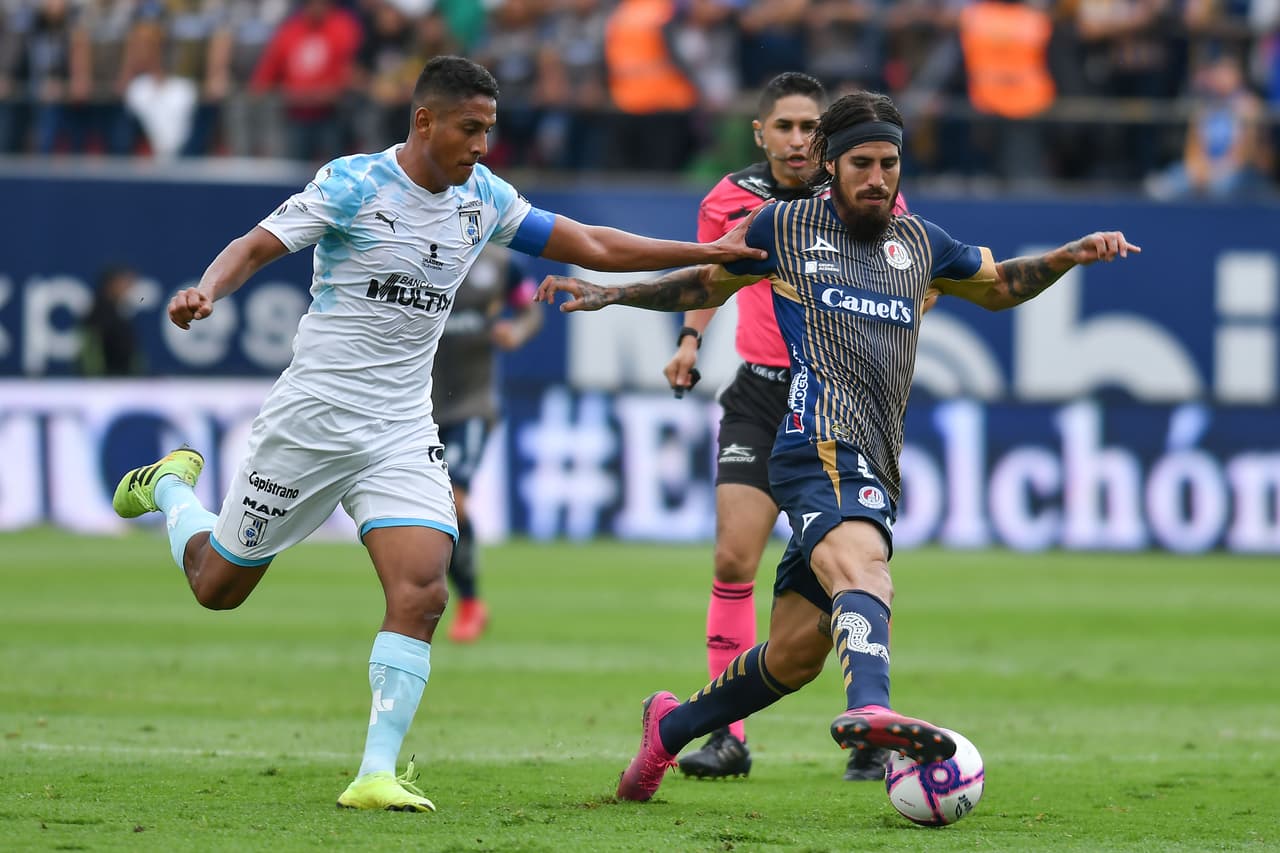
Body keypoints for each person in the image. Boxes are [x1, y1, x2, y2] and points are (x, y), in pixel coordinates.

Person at [108, 55, 763, 813]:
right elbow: (257, 244)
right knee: (216, 588)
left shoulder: (482, 198)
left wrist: (709, 250)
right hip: (312, 420)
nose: (483, 145)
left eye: (490, 129)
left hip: (399, 425)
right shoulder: (353, 183)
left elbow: (592, 244)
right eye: (470, 128)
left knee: (421, 589)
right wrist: (207, 291)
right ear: (424, 121)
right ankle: (172, 487)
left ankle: (375, 772)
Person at [537, 90, 1140, 803]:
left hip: (877, 458)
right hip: (814, 441)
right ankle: (875, 706)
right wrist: (614, 296)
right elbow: (706, 281)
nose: (878, 177)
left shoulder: (920, 242)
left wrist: (1069, 255)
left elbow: (1002, 283)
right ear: (830, 163)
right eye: (862, 163)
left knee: (795, 654)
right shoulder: (784, 226)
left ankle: (667, 730)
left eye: (889, 163)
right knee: (867, 567)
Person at [664, 70, 908, 784]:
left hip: (841, 403)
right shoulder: (733, 202)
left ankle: (869, 728)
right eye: (788, 126)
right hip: (763, 395)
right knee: (734, 557)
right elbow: (711, 278)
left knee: (851, 571)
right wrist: (687, 341)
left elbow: (907, 271)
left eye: (811, 128)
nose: (799, 139)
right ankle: (728, 736)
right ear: (761, 133)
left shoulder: (863, 195)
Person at [432, 245, 542, 642]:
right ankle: (435, 594)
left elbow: (530, 310)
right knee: (429, 510)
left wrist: (516, 330)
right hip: (415, 403)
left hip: (471, 404)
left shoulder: (501, 263)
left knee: (453, 498)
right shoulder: (414, 246)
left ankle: (471, 603)